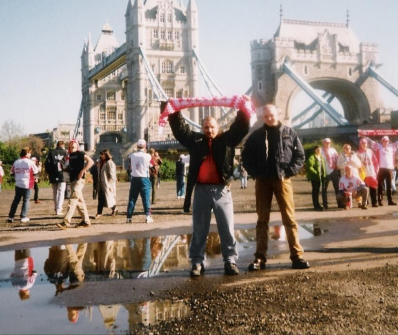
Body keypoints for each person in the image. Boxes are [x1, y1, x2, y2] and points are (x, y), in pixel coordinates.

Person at [168, 101, 250, 278]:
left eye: (212, 127)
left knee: (227, 228)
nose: (209, 130)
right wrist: (174, 110)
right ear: (202, 128)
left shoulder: (227, 140)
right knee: (199, 228)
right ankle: (197, 262)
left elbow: (241, 128)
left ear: (218, 127)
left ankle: (230, 260)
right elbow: (181, 129)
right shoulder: (196, 141)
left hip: (222, 190)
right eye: (206, 127)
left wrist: (243, 109)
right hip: (201, 191)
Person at [242, 104, 310, 271]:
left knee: (289, 218)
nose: (269, 118)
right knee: (262, 220)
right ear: (262, 118)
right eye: (266, 116)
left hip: (282, 180)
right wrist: (255, 173)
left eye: (271, 115)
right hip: (262, 181)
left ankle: (297, 256)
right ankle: (260, 258)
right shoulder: (256, 135)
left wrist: (289, 172)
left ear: (278, 114)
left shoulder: (290, 133)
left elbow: (300, 156)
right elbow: (245, 156)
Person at [57, 140, 94, 229]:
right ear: (69, 145)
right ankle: (86, 221)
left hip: (79, 180)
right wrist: (64, 167)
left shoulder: (80, 153)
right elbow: (64, 166)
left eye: (74, 142)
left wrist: (83, 170)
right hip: (72, 180)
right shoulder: (68, 155)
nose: (72, 143)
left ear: (77, 145)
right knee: (80, 202)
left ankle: (66, 222)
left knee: (73, 199)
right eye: (71, 142)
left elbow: (91, 162)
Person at [366, 135, 398, 206]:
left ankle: (390, 200)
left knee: (389, 185)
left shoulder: (392, 147)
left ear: (388, 141)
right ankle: (380, 200)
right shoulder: (378, 146)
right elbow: (370, 142)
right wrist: (364, 136)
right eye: (384, 141)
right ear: (381, 141)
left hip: (389, 168)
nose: (385, 142)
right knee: (380, 185)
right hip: (380, 168)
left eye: (386, 141)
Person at [7, 147, 39, 223]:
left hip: (18, 183)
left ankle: (11, 216)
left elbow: (11, 172)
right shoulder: (30, 162)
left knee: (16, 200)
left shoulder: (16, 162)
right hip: (27, 183)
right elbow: (36, 171)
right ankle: (23, 216)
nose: (30, 154)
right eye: (30, 152)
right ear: (27, 153)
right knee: (26, 200)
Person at [127, 139, 153, 224]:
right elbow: (152, 165)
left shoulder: (131, 155)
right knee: (146, 199)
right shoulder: (148, 156)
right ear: (145, 146)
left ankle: (129, 217)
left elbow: (130, 164)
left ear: (137, 146)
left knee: (132, 199)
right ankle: (148, 216)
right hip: (144, 178)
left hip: (134, 178)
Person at [46, 141, 68, 216]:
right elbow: (68, 164)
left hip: (53, 174)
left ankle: (56, 208)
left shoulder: (51, 153)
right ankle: (59, 209)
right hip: (62, 174)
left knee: (55, 192)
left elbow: (47, 164)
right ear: (63, 145)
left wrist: (49, 173)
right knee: (61, 192)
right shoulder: (65, 153)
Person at [336, 143, 362, 207]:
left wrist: (354, 162)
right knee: (346, 190)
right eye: (346, 148)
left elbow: (359, 164)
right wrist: (345, 163)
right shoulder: (341, 156)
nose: (348, 149)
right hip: (345, 177)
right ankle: (347, 203)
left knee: (356, 188)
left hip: (354, 176)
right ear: (343, 149)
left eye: (349, 148)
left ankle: (359, 202)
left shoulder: (354, 155)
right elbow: (338, 165)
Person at [356, 138, 379, 207]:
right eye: (362, 144)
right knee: (364, 188)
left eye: (365, 143)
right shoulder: (358, 153)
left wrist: (376, 169)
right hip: (363, 173)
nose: (364, 145)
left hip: (371, 171)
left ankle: (374, 202)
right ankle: (365, 202)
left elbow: (375, 161)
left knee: (373, 187)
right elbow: (357, 164)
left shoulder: (370, 151)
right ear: (360, 144)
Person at [95, 149, 117, 218]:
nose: (101, 156)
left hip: (107, 184)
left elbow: (112, 175)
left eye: (102, 155)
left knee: (108, 198)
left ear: (106, 155)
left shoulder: (109, 163)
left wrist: (110, 184)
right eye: (100, 155)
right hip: (101, 183)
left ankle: (114, 208)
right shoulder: (101, 162)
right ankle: (99, 212)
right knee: (101, 198)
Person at [319, 138, 339, 209]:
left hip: (333, 170)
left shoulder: (333, 150)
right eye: (326, 143)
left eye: (329, 143)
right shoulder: (320, 151)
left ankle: (339, 203)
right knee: (324, 189)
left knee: (337, 188)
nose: (328, 144)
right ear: (323, 143)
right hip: (325, 172)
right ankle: (325, 204)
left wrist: (337, 166)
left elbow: (337, 158)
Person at [306, 145, 327, 211]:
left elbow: (322, 166)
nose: (319, 151)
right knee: (315, 191)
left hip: (320, 177)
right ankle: (316, 205)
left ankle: (317, 204)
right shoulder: (312, 157)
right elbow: (309, 167)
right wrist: (316, 173)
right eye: (318, 150)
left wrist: (323, 175)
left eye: (320, 150)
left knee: (318, 191)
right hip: (315, 177)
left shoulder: (321, 157)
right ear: (315, 150)